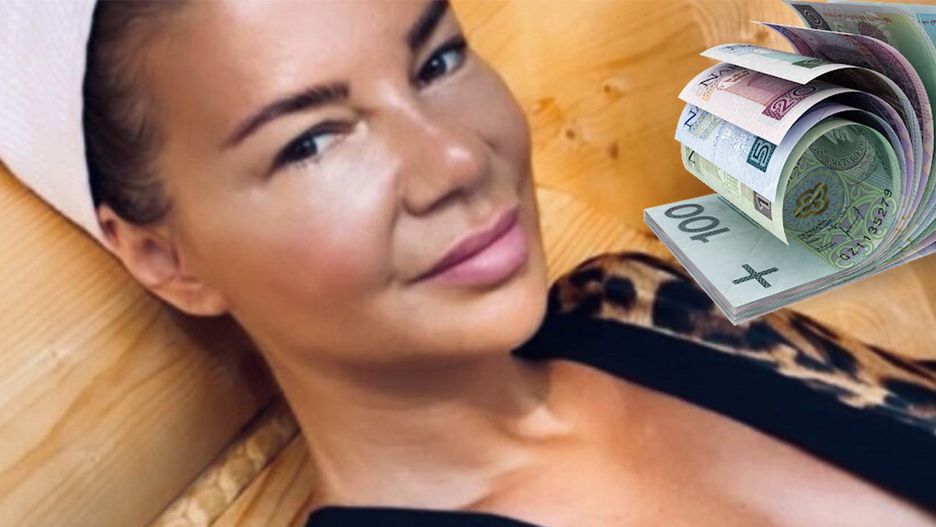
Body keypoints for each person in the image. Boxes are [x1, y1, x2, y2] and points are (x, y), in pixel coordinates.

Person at [5, 0, 934, 525]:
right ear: (163, 255)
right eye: (311, 142)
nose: (454, 157)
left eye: (438, 61)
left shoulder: (626, 297)